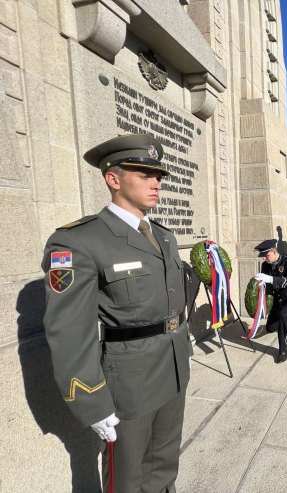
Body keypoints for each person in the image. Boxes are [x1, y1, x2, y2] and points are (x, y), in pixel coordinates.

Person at [41, 134, 192, 491]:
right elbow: (69, 330)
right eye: (144, 173)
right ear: (113, 178)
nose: (156, 182)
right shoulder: (78, 241)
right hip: (129, 382)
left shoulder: (164, 236)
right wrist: (91, 400)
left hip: (173, 370)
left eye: (159, 175)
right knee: (126, 478)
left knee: (164, 468)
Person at [254, 239, 287, 363]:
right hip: (279, 299)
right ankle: (283, 323)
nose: (264, 258)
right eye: (263, 256)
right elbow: (267, 284)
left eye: (266, 255)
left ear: (274, 251)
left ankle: (283, 349)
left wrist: (270, 279)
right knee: (270, 328)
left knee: (284, 316)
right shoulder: (266, 265)